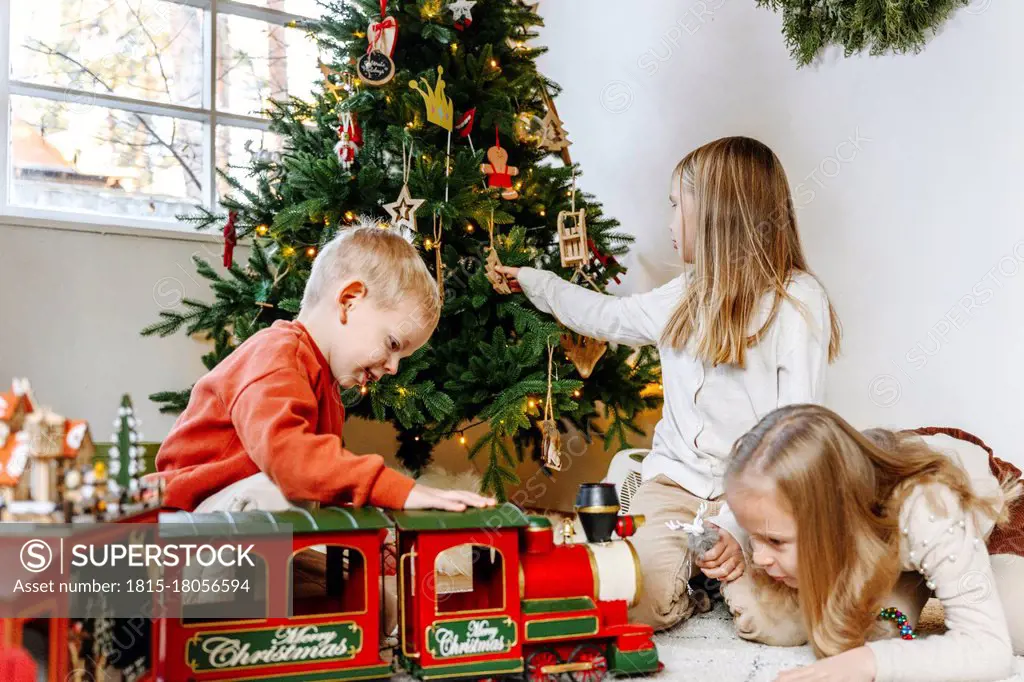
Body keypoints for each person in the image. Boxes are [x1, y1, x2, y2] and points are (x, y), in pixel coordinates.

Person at [496, 136, 842, 630]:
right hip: (674, 483)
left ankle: (719, 575)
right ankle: (693, 584)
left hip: (753, 497)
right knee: (636, 604)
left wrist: (731, 529)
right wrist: (535, 281)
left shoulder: (797, 302)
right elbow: (606, 317)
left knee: (771, 624)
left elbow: (797, 440)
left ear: (718, 212)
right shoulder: (684, 293)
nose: (669, 220)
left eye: (677, 205)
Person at [156, 223, 495, 514]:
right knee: (273, 492)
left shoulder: (326, 384)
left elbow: (321, 479)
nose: (393, 368)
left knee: (305, 512)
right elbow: (291, 461)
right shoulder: (276, 355)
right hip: (180, 519)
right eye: (393, 344)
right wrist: (398, 489)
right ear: (349, 301)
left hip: (227, 523)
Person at [718, 404, 1023, 682]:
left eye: (774, 541)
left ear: (836, 519)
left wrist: (871, 663)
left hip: (992, 512)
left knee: (1013, 623)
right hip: (882, 527)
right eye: (754, 537)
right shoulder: (800, 499)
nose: (759, 558)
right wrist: (729, 528)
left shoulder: (929, 506)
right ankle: (909, 582)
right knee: (805, 626)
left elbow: (989, 650)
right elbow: (761, 499)